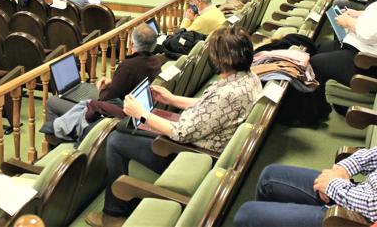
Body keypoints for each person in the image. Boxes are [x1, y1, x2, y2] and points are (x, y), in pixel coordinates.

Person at [85, 26, 261, 227]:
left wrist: (142, 114)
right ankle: (122, 198)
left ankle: (113, 213)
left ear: (223, 59)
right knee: (129, 128)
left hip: (192, 151)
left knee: (117, 140)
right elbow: (207, 106)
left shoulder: (228, 93)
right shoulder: (248, 77)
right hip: (196, 135)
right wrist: (173, 99)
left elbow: (180, 133)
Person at [234, 147, 377, 227]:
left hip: (361, 219)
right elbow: (372, 156)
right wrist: (342, 169)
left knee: (246, 215)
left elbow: (372, 207)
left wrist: (332, 185)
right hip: (361, 192)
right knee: (269, 177)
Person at [46, 24, 161, 122]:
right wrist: (113, 82)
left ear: (132, 45)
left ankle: (58, 141)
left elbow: (106, 99)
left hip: (110, 114)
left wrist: (100, 89)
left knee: (52, 102)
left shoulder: (128, 66)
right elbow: (128, 84)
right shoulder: (156, 61)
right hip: (133, 109)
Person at [308, 1, 377, 117]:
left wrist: (348, 22)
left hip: (368, 61)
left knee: (316, 63)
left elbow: (369, 34)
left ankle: (317, 112)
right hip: (361, 47)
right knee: (318, 48)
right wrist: (359, 14)